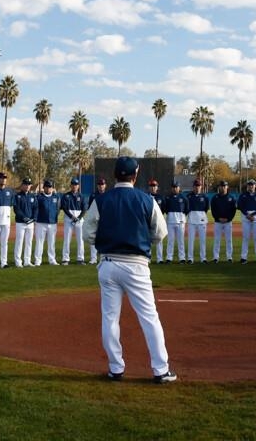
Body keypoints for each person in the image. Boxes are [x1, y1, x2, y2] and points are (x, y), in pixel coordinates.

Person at [83, 156, 176, 383]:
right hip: (136, 265)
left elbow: (87, 233)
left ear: (115, 175)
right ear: (135, 175)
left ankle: (116, 368)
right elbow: (160, 233)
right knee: (149, 317)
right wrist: (143, 240)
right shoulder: (146, 199)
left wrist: (104, 241)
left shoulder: (101, 200)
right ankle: (160, 370)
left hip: (108, 263)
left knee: (110, 318)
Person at [33, 179, 59, 266]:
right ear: (43, 188)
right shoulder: (39, 197)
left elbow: (58, 209)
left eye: (50, 187)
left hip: (52, 223)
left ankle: (52, 259)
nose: (48, 189)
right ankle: (37, 260)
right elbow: (35, 208)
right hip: (41, 223)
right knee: (39, 242)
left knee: (52, 243)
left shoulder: (56, 197)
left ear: (52, 188)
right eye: (47, 187)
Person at [237, 179, 256, 263]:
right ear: (247, 186)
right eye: (249, 185)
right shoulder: (243, 195)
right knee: (245, 238)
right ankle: (243, 257)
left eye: (252, 185)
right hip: (246, 217)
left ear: (255, 186)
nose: (250, 186)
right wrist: (247, 214)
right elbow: (240, 206)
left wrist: (252, 215)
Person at [60, 178, 85, 265]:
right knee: (67, 239)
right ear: (70, 185)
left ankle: (80, 259)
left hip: (79, 219)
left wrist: (79, 218)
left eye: (76, 184)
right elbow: (64, 208)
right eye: (73, 184)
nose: (74, 186)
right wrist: (71, 217)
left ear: (78, 186)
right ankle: (65, 259)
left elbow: (84, 209)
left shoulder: (81, 196)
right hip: (68, 218)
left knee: (80, 239)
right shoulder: (66, 196)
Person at [12, 177, 36, 268]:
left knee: (29, 242)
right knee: (19, 241)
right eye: (25, 184)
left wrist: (33, 218)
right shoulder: (17, 196)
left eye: (29, 184)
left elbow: (36, 208)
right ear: (22, 185)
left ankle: (27, 261)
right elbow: (16, 209)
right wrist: (24, 217)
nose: (27, 186)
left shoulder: (33, 196)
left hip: (30, 223)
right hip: (20, 222)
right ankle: (18, 261)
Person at [210, 181, 235, 263]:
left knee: (229, 240)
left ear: (227, 187)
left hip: (228, 222)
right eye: (221, 186)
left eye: (224, 186)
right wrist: (218, 218)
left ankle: (229, 257)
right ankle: (216, 257)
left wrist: (228, 219)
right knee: (217, 240)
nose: (223, 187)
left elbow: (233, 210)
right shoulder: (215, 198)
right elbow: (213, 210)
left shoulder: (231, 197)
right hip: (218, 222)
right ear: (219, 187)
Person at [163, 181, 189, 263]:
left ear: (179, 188)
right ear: (171, 188)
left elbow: (187, 209)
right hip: (170, 221)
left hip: (181, 222)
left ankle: (182, 258)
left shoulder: (183, 198)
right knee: (170, 240)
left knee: (180, 241)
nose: (175, 189)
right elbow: (165, 209)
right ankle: (169, 258)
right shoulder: (167, 198)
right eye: (173, 187)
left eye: (176, 187)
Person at [186, 179, 210, 264]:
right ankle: (190, 258)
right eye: (196, 186)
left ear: (201, 187)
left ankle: (203, 258)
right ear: (193, 187)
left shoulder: (205, 197)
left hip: (202, 221)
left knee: (202, 240)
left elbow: (206, 208)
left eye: (199, 186)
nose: (197, 187)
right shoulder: (188, 196)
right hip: (191, 221)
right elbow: (186, 208)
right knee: (191, 240)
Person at [86, 178, 108, 265]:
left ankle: (104, 257)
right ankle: (93, 258)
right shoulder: (93, 195)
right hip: (95, 219)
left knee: (105, 238)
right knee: (94, 237)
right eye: (99, 185)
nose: (100, 186)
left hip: (105, 218)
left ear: (105, 185)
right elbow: (90, 208)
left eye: (102, 184)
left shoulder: (108, 194)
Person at [147, 180, 165, 263]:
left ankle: (160, 258)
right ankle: (148, 258)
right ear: (149, 187)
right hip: (147, 220)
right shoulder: (146, 197)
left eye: (154, 186)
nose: (153, 187)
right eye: (151, 186)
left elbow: (164, 208)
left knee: (159, 239)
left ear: (157, 187)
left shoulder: (161, 197)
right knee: (147, 240)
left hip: (157, 220)